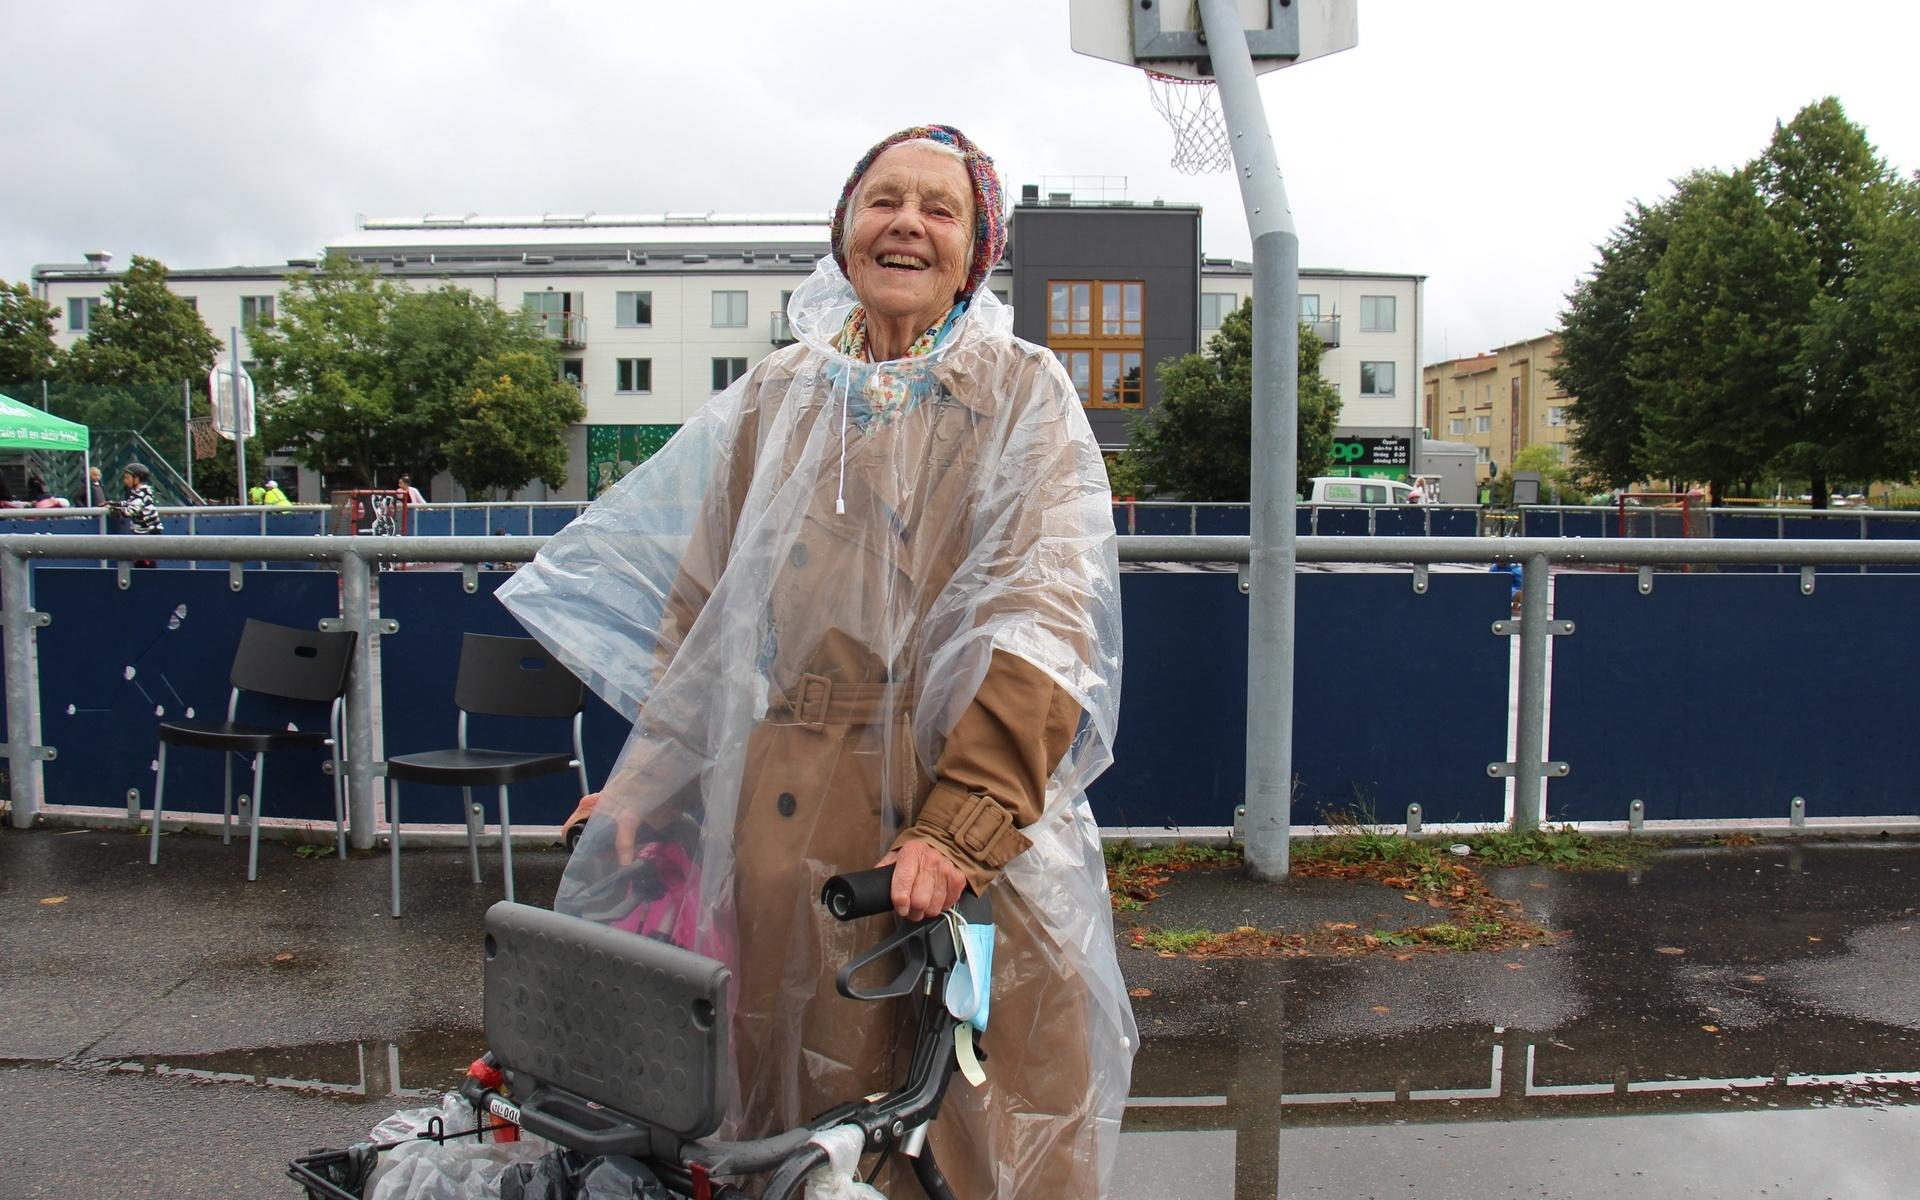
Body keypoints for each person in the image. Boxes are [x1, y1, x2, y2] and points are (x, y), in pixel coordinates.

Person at [500, 125, 1132, 1197]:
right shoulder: (780, 393)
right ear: (844, 228)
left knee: (969, 1119)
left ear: (976, 249)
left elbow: (1045, 620)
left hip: (953, 822)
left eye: (941, 209)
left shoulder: (1024, 393)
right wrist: (653, 786)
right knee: (789, 1100)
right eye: (884, 200)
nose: (906, 226)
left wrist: (961, 823)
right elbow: (707, 615)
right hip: (789, 809)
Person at [106, 461, 163, 567]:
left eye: (127, 478)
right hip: (143, 532)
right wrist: (112, 503)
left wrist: (113, 511)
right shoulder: (137, 492)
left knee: (144, 563)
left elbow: (130, 510)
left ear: (136, 479)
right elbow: (128, 502)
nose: (125, 481)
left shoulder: (141, 493)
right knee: (140, 561)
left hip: (148, 532)